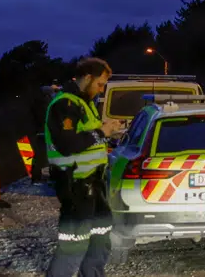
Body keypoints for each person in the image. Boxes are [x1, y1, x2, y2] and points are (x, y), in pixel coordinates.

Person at [45, 58, 122, 277]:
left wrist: (107, 131)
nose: (101, 90)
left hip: (94, 184)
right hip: (76, 185)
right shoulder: (65, 104)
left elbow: (87, 138)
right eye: (99, 84)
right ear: (87, 78)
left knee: (100, 237)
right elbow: (67, 144)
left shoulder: (84, 103)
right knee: (73, 244)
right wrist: (101, 132)